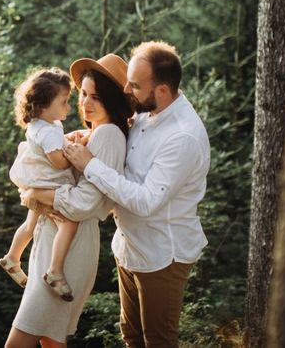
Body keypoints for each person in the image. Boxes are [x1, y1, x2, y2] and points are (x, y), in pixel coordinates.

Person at [63, 41, 210, 348]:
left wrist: (90, 165)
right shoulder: (148, 109)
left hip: (161, 254)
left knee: (157, 340)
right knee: (131, 336)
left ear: (163, 91)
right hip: (129, 246)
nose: (126, 90)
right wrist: (91, 136)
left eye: (135, 85)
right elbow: (125, 143)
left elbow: (145, 201)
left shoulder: (182, 137)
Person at [5, 54, 133, 348]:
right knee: (51, 339)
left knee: (21, 338)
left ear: (111, 100)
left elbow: (85, 204)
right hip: (55, 238)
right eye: (83, 94)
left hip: (71, 243)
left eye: (96, 97)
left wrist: (37, 195)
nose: (85, 103)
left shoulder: (110, 135)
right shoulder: (95, 133)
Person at [0, 67, 79, 301]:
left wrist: (67, 140)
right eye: (64, 102)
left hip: (38, 179)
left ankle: (12, 257)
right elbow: (59, 164)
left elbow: (52, 147)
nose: (69, 107)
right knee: (69, 223)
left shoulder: (40, 124)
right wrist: (75, 155)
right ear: (44, 105)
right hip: (49, 183)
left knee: (31, 223)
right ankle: (55, 271)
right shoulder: (49, 132)